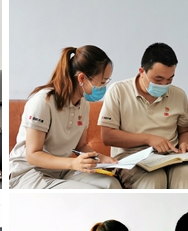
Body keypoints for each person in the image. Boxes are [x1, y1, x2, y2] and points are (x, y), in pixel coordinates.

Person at [9, 45, 121, 189]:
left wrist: (101, 158)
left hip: (61, 170)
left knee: (112, 184)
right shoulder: (43, 102)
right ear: (82, 78)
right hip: (29, 173)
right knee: (91, 192)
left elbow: (81, 146)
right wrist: (73, 163)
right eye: (102, 81)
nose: (104, 87)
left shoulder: (84, 104)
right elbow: (33, 155)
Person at [98, 42, 188, 189]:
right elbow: (107, 136)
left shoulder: (179, 95)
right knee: (154, 178)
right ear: (142, 71)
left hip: (171, 157)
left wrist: (184, 143)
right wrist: (148, 139)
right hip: (133, 159)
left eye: (169, 79)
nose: (164, 84)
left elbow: (184, 131)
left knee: (186, 175)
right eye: (158, 80)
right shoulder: (118, 91)